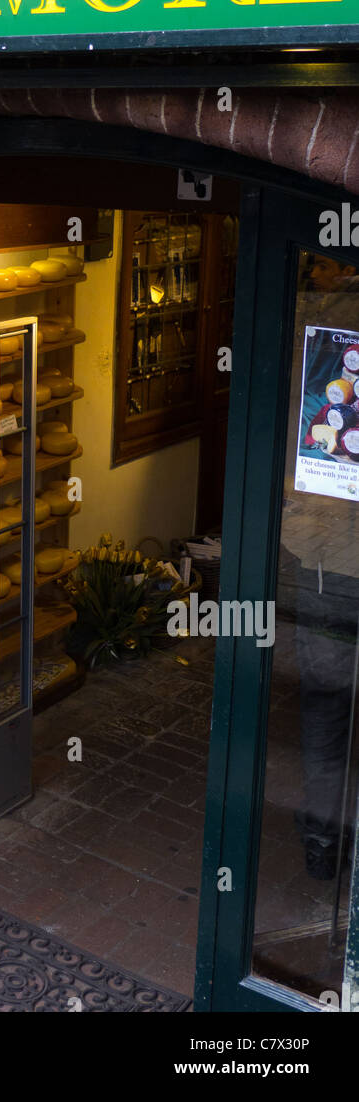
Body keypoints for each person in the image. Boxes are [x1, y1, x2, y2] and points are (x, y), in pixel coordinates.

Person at [278, 253, 359, 880]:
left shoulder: (318, 335)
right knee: (329, 704)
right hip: (329, 557)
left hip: (329, 560)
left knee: (328, 707)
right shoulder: (320, 333)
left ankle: (325, 839)